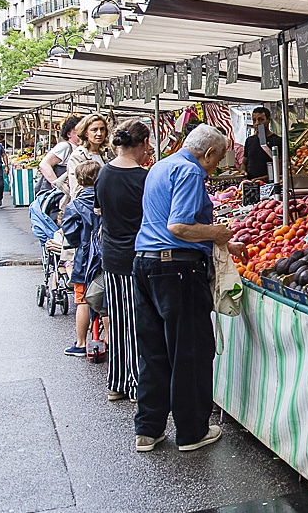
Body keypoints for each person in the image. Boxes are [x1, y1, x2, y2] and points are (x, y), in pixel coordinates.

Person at [133, 124, 240, 453]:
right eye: (217, 160)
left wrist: (222, 244)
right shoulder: (190, 172)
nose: (215, 167)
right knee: (190, 351)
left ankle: (148, 430)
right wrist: (217, 233)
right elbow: (179, 226)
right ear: (207, 153)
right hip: (177, 270)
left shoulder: (160, 166)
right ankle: (192, 431)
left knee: (154, 352)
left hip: (145, 263)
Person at [96, 119, 151, 402]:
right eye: (147, 144)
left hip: (112, 256)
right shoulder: (143, 179)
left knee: (116, 319)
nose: (149, 149)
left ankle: (116, 381)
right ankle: (135, 382)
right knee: (136, 320)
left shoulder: (103, 174)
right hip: (136, 255)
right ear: (141, 144)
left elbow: (99, 212)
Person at [61, 161, 103, 358]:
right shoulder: (106, 201)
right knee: (106, 301)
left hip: (83, 259)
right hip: (105, 256)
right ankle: (110, 341)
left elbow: (70, 235)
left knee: (83, 300)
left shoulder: (74, 205)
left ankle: (81, 343)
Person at [65, 113, 110, 200]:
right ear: (86, 133)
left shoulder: (102, 155)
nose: (99, 133)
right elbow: (76, 190)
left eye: (102, 129)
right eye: (94, 130)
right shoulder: (78, 156)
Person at [38, 115, 82, 194]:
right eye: (77, 132)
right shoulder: (65, 146)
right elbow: (44, 164)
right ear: (69, 134)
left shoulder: (80, 148)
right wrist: (58, 186)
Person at [242, 106, 280, 181]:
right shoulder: (249, 140)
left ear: (268, 120)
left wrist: (261, 179)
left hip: (270, 183)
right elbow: (244, 162)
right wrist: (243, 171)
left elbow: (280, 167)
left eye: (260, 120)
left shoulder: (278, 141)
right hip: (251, 183)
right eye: (254, 120)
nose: (257, 123)